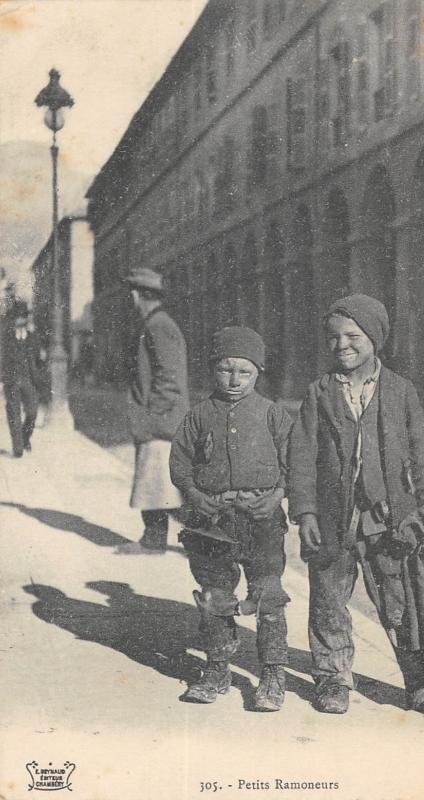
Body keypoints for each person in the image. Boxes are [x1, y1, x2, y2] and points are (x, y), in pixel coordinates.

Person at [288, 294, 424, 723]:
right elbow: (301, 457)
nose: (342, 346)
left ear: (375, 338)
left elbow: (423, 458)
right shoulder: (318, 392)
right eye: (333, 338)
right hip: (334, 520)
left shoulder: (400, 391)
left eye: (353, 336)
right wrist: (306, 514)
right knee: (328, 599)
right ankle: (332, 679)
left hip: (388, 521)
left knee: (402, 601)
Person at [170, 326, 293, 711]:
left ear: (258, 372)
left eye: (245, 371)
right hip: (212, 521)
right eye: (225, 370)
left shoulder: (273, 414)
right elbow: (180, 464)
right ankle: (217, 668)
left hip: (261, 519)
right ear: (212, 371)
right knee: (215, 594)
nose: (235, 379)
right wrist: (194, 497)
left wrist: (275, 497)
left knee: (268, 594)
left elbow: (295, 466)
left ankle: (273, 673)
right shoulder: (199, 415)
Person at [120, 268, 189, 553]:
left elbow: (169, 377)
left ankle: (155, 541)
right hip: (160, 419)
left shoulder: (158, 325)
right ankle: (154, 539)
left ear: (139, 295)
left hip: (161, 421)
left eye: (133, 294)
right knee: (158, 483)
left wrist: (151, 417)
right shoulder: (158, 323)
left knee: (161, 483)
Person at [2, 300, 40, 457]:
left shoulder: (32, 337)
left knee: (32, 412)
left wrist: (37, 379)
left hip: (28, 380)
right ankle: (17, 449)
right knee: (14, 414)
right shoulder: (6, 337)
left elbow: (37, 359)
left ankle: (25, 438)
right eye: (19, 317)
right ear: (14, 319)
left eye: (24, 317)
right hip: (11, 381)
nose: (21, 320)